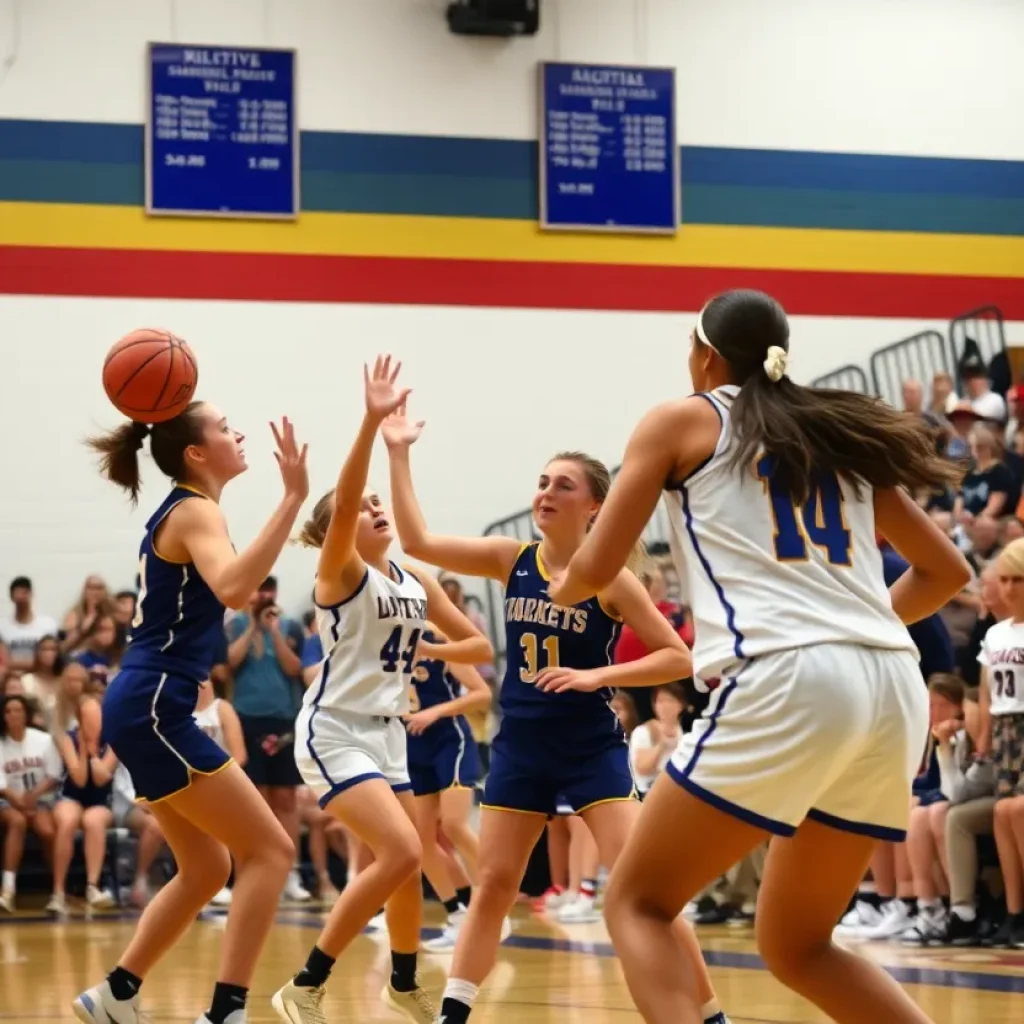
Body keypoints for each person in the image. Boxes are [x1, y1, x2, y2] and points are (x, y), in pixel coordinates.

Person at [549, 288, 972, 1024]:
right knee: (799, 945)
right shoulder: (833, 435)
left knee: (638, 901)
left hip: (787, 675)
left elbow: (598, 564)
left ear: (705, 353)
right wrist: (854, 627)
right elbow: (947, 573)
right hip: (889, 685)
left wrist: (563, 585)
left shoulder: (682, 418)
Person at [381, 408, 730, 1024]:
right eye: (542, 482)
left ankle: (709, 1015)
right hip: (521, 746)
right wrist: (399, 452)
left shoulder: (613, 580)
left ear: (596, 506)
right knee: (492, 884)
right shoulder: (510, 559)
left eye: (562, 485)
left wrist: (601, 675)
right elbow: (417, 543)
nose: (545, 492)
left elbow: (678, 656)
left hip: (591, 747)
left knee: (645, 891)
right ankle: (454, 1014)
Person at [72, 401, 310, 1024]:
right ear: (196, 454)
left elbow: (215, 602)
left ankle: (115, 994)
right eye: (224, 426)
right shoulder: (196, 509)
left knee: (208, 866)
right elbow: (235, 588)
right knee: (272, 853)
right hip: (155, 704)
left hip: (145, 700)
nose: (237, 430)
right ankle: (226, 1012)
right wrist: (292, 500)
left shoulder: (191, 510)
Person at [272, 356, 493, 1024]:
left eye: (379, 504)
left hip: (387, 730)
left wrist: (435, 646)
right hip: (334, 727)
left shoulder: (413, 580)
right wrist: (371, 423)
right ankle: (305, 985)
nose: (375, 509)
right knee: (401, 850)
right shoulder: (339, 573)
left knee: (408, 856)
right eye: (364, 506)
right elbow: (344, 498)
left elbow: (480, 650)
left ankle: (402, 981)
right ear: (337, 527)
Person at [405, 625, 493, 950]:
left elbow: (481, 692)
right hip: (410, 746)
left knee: (455, 825)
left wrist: (435, 712)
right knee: (420, 842)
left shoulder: (436, 639)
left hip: (449, 739)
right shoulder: (379, 643)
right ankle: (457, 914)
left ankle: (496, 898)